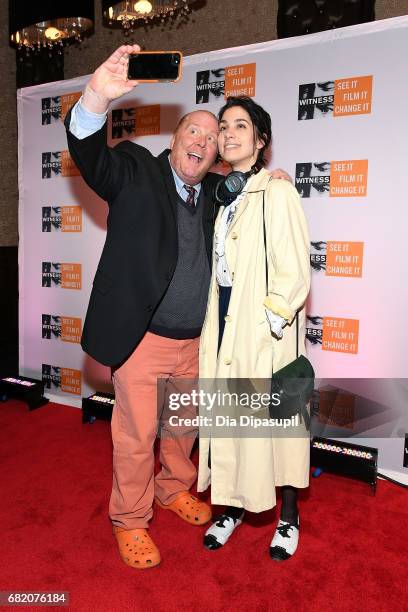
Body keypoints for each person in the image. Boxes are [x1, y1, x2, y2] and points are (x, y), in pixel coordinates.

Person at [64, 46, 290, 569]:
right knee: (137, 437)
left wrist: (269, 180)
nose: (205, 142)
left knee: (182, 432)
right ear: (174, 139)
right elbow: (90, 152)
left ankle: (173, 489)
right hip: (143, 342)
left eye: (213, 139)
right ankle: (131, 519)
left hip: (197, 342)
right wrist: (97, 94)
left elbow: (247, 191)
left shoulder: (215, 193)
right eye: (195, 131)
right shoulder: (135, 171)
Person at [197, 96, 311, 561]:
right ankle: (231, 507)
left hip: (264, 327)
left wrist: (273, 317)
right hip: (223, 318)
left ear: (261, 140)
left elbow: (295, 264)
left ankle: (288, 517)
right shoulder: (224, 195)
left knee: (279, 422)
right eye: (224, 126)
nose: (228, 133)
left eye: (241, 126)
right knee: (229, 414)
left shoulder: (278, 190)